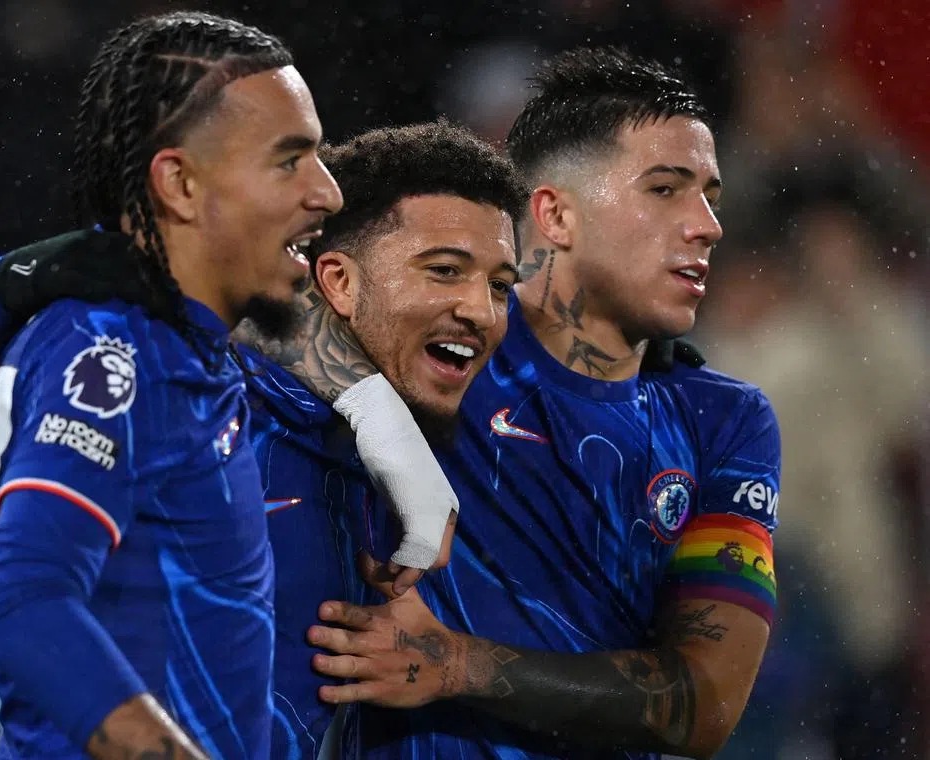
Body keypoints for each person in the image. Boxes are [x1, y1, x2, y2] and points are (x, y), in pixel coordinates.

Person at [0, 120, 529, 759]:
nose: (482, 309)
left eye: (501, 286)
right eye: (444, 270)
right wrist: (3, 289)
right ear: (334, 280)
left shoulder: (465, 444)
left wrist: (460, 666)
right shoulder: (187, 384)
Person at [0, 11, 347, 758]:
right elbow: (29, 606)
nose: (325, 191)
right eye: (289, 159)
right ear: (180, 182)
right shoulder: (115, 354)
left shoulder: (181, 346)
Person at [306, 46, 781, 760]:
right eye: (665, 189)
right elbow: (257, 303)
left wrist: (458, 666)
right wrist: (388, 431)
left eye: (710, 194)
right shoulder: (451, 341)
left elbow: (704, 705)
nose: (708, 223)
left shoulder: (724, 421)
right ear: (556, 215)